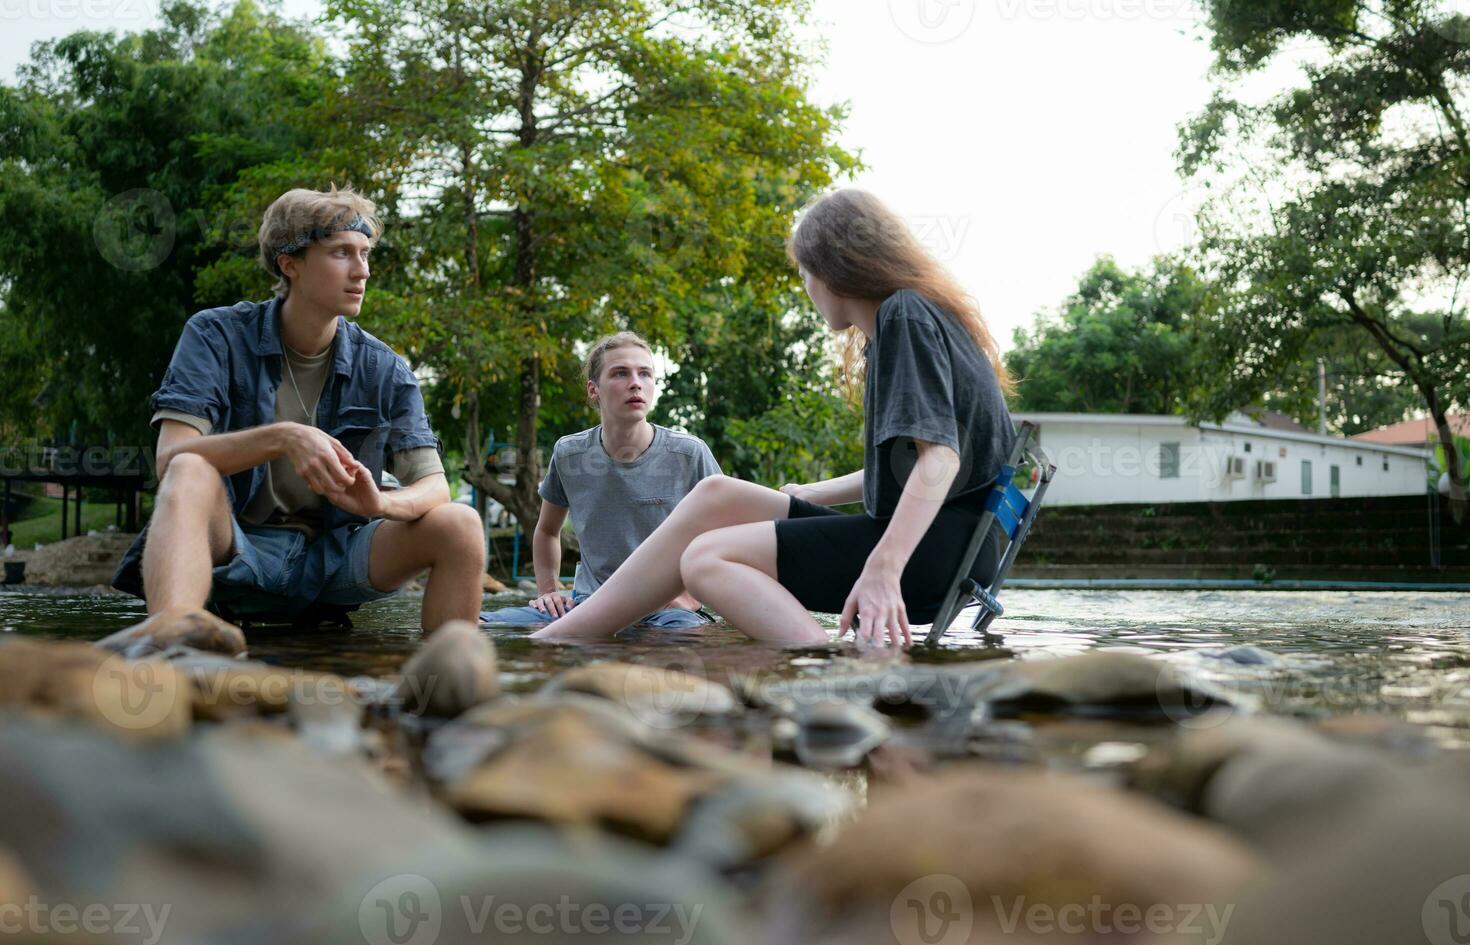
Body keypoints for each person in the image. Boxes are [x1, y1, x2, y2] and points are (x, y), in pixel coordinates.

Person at [532, 188, 1016, 646]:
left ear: (831, 269)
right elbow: (911, 468)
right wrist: (810, 494)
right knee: (716, 493)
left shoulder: (904, 316)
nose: (806, 285)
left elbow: (940, 461)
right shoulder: (913, 315)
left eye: (805, 271)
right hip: (954, 543)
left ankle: (819, 658)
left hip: (930, 555)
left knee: (704, 558)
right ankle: (570, 631)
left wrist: (883, 569)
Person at [109, 185, 484, 647]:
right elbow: (170, 458)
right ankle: (172, 647)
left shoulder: (383, 367)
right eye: (341, 253)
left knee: (461, 524)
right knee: (189, 468)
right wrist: (283, 437)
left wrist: (380, 505)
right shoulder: (214, 335)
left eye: (365, 254)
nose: (362, 270)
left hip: (336, 556)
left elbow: (434, 487)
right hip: (235, 547)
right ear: (291, 265)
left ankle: (453, 680)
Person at [481, 331, 720, 629]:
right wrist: (548, 592)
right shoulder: (569, 453)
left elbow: (727, 533)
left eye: (645, 373)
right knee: (478, 624)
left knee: (682, 637)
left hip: (667, 613)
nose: (636, 382)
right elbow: (546, 531)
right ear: (594, 390)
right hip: (587, 604)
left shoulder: (689, 454)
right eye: (621, 373)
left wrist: (688, 594)